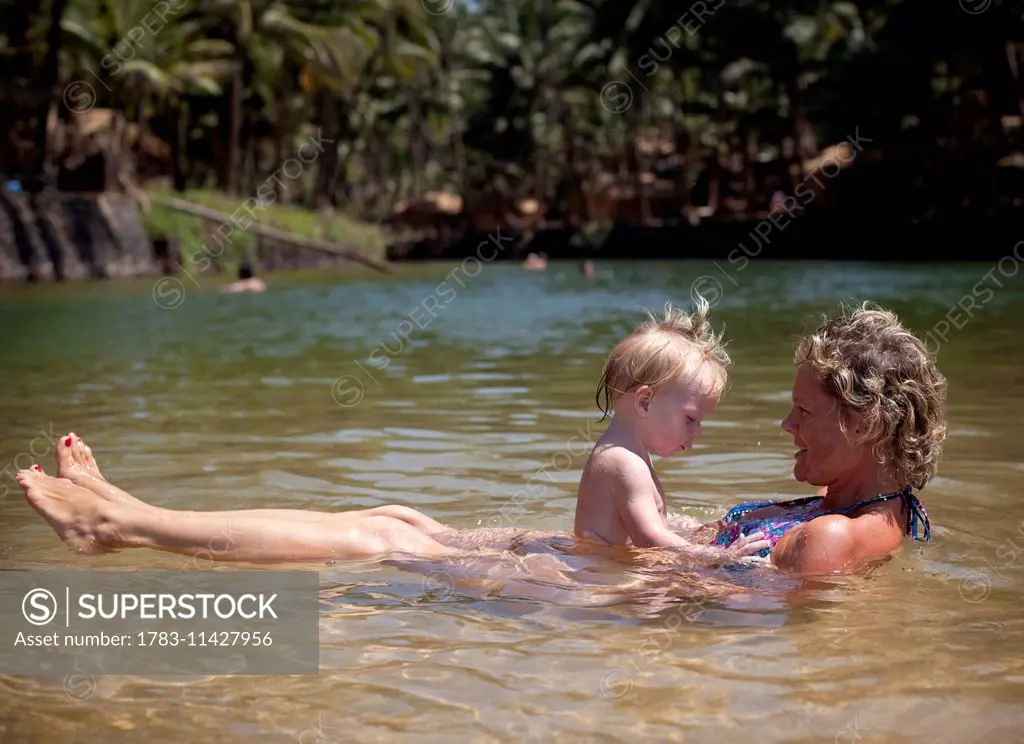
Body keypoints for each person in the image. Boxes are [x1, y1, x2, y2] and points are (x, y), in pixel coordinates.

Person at [14, 302, 941, 576]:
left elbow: (718, 603)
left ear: (862, 424)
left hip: (597, 600)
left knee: (385, 538)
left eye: (804, 413)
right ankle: (131, 512)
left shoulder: (831, 536)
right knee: (394, 510)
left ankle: (123, 528)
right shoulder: (853, 505)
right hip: (605, 575)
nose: (784, 424)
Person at [574, 299, 769, 563]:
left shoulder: (631, 453)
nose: (698, 431)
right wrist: (718, 555)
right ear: (645, 402)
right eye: (691, 418)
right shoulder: (624, 463)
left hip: (612, 564)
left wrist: (687, 527)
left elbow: (643, 522)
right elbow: (650, 539)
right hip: (605, 576)